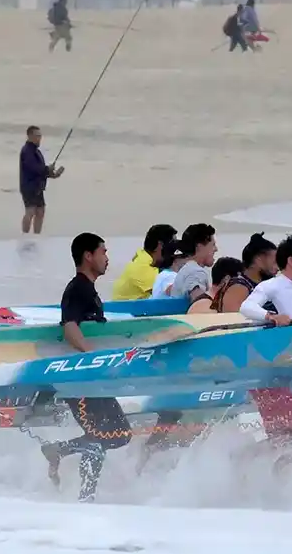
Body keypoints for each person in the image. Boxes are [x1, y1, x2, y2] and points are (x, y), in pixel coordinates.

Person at [40, 233, 132, 502]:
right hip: (79, 380)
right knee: (101, 435)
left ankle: (58, 451)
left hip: (91, 379)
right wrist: (92, 359)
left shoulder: (87, 288)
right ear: (88, 256)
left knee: (120, 434)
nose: (107, 258)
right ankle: (86, 496)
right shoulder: (77, 288)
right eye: (103, 252)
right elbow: (70, 327)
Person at [237, 234, 292, 464]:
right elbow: (246, 307)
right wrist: (271, 317)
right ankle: (251, 464)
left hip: (281, 376)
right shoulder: (272, 285)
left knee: (286, 437)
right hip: (267, 376)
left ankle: (256, 473)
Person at [213, 233, 277, 313]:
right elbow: (233, 321)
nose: (278, 268)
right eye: (274, 262)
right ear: (259, 260)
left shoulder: (263, 286)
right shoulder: (238, 287)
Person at [111, 223, 176, 301]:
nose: (174, 251)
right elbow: (174, 290)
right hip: (125, 311)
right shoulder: (141, 266)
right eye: (173, 245)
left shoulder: (145, 258)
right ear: (160, 245)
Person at [19, 126, 63, 235]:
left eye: (40, 136)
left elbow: (41, 171)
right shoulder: (27, 151)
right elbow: (33, 168)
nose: (39, 138)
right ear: (30, 136)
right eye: (37, 136)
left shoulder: (37, 152)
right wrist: (48, 169)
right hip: (29, 186)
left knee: (40, 211)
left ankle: (36, 236)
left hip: (38, 186)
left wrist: (53, 174)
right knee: (30, 211)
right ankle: (24, 235)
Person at [167, 223, 218, 304]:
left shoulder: (188, 269)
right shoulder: (196, 272)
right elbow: (200, 305)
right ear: (199, 246)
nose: (216, 249)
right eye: (213, 245)